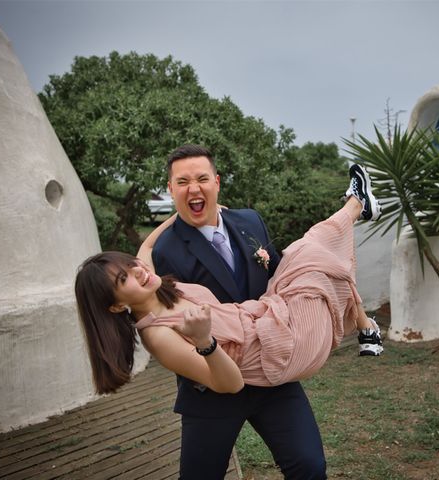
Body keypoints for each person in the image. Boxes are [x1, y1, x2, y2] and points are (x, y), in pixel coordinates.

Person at [75, 147, 382, 479]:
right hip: (214, 388)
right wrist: (205, 342)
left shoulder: (240, 224)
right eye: (183, 182)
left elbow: (144, 250)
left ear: (216, 182)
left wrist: (173, 219)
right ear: (171, 188)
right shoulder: (163, 289)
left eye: (202, 179)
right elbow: (225, 380)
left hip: (270, 356)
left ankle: (357, 208)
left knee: (309, 467)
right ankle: (356, 207)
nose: (136, 273)